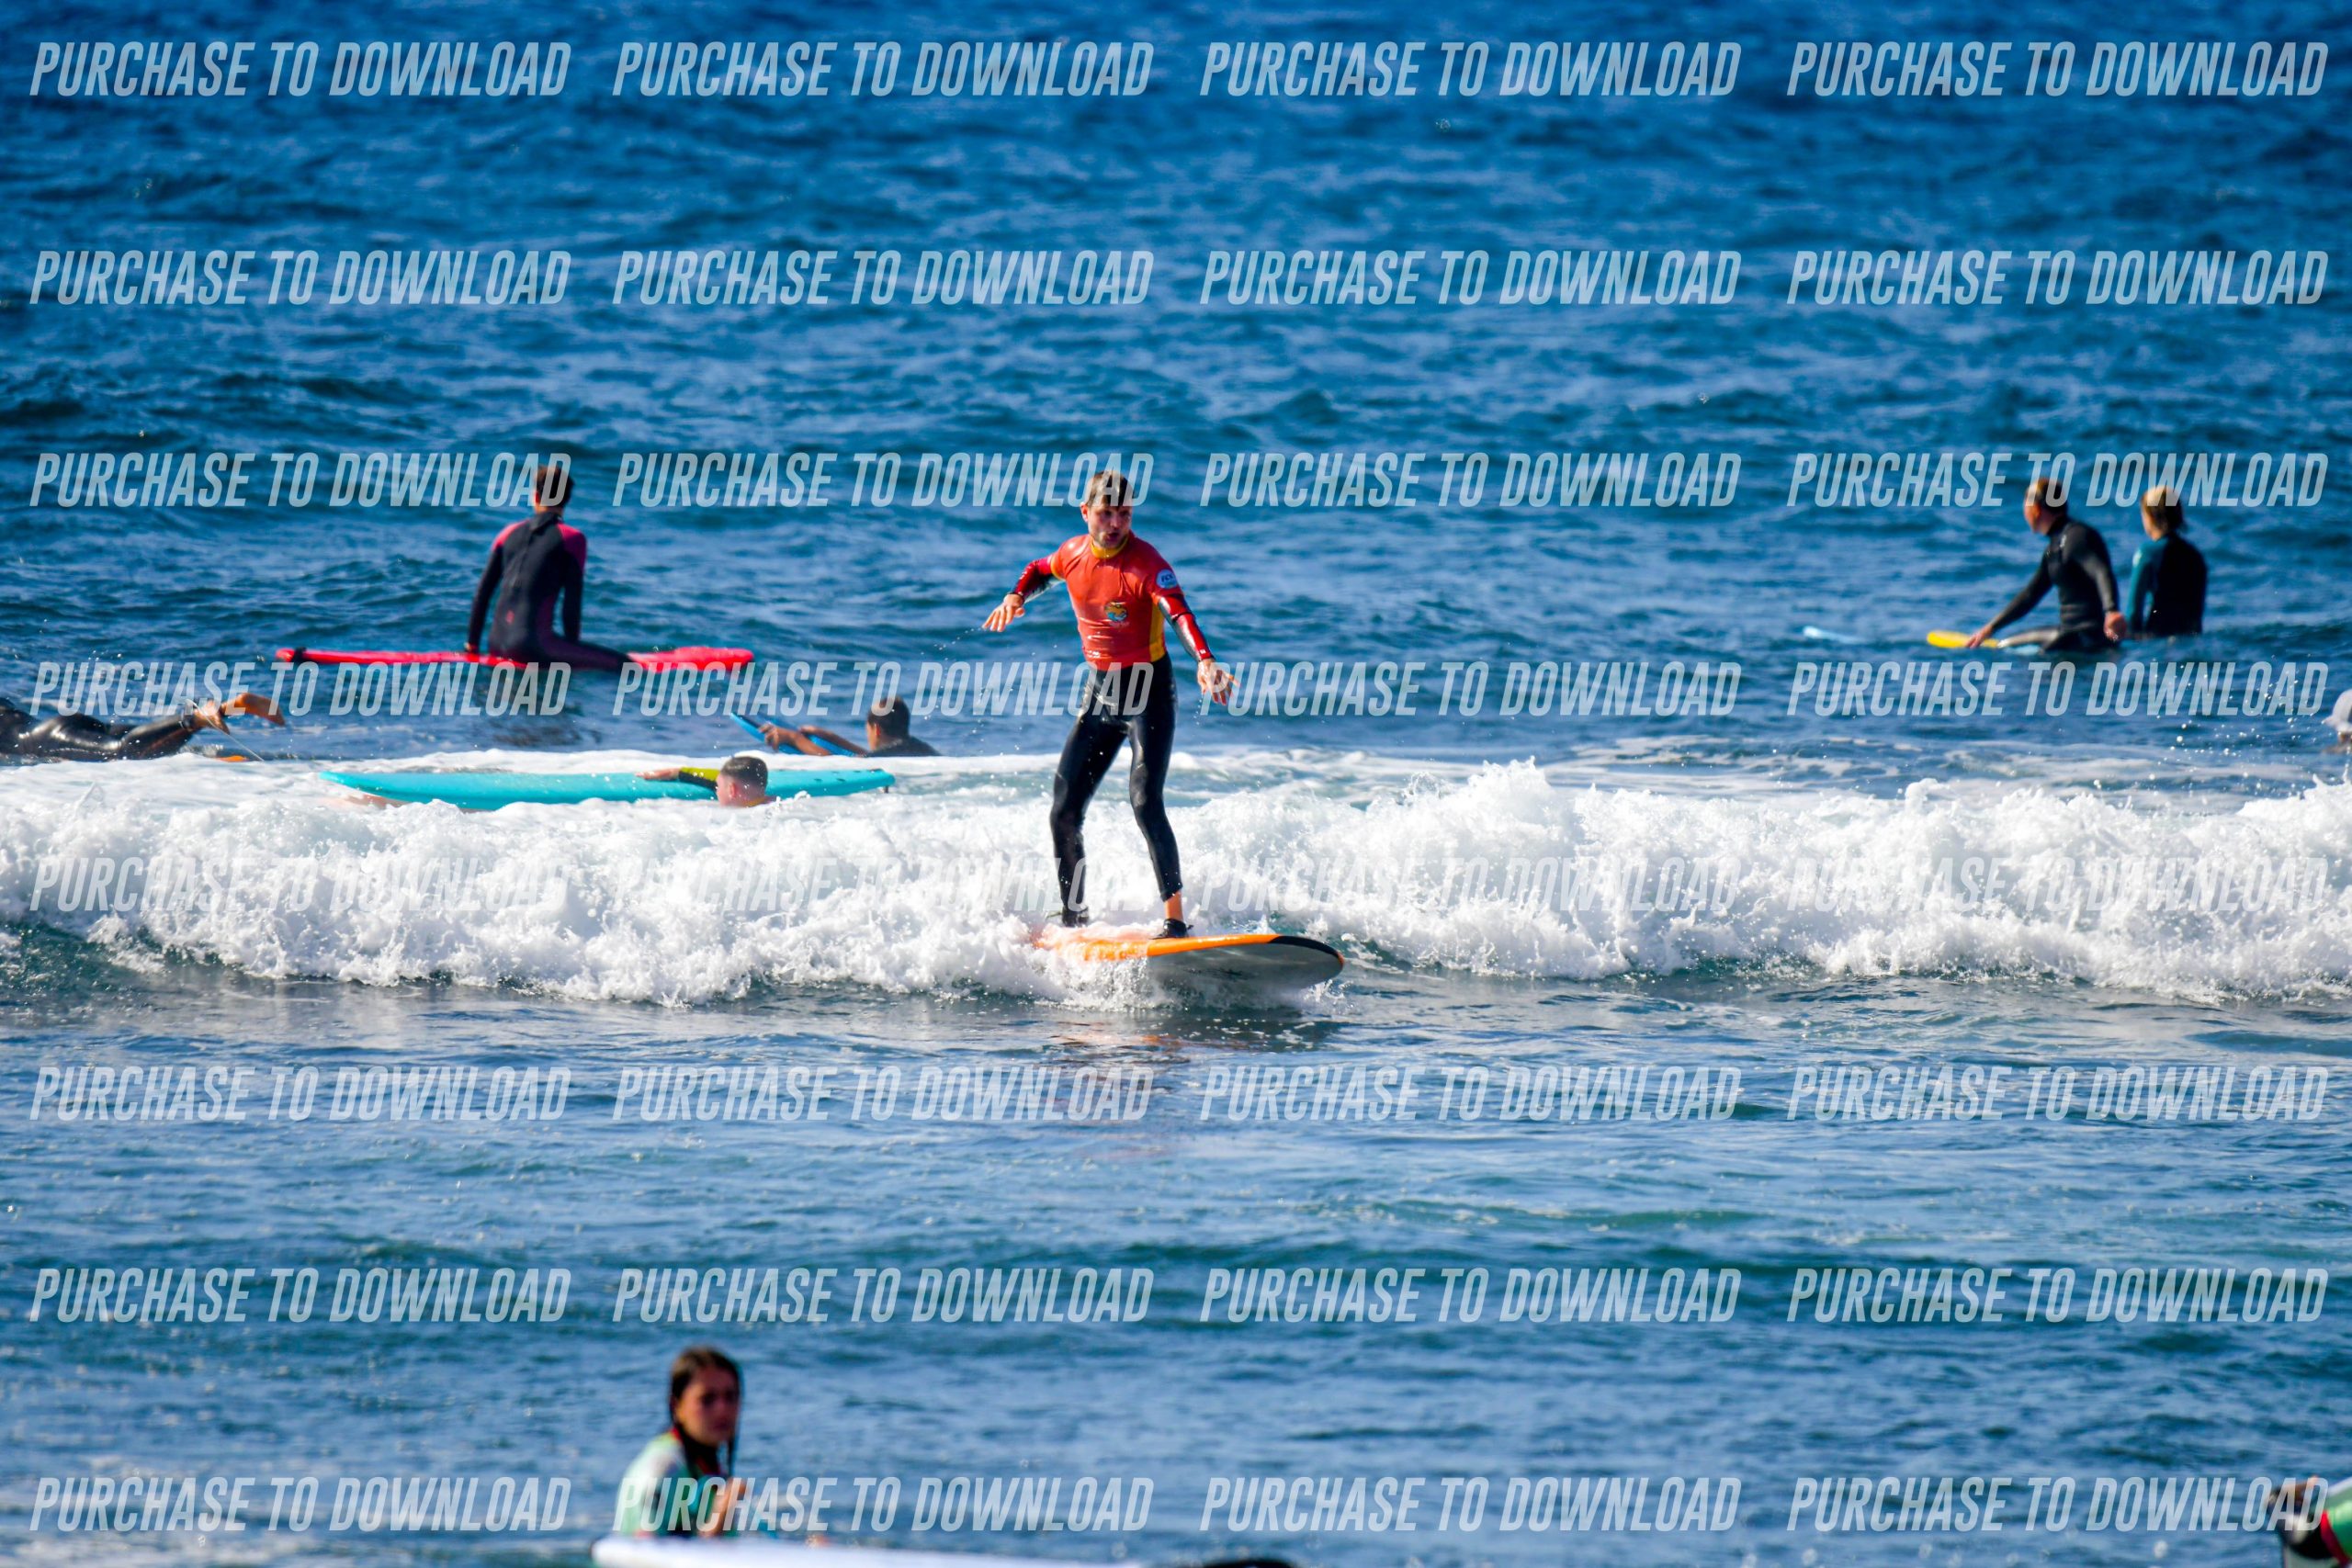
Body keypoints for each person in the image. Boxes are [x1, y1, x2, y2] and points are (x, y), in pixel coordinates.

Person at [983, 469, 1233, 938]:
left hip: (1148, 693)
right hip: (1099, 694)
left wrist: (1205, 660)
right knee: (1063, 810)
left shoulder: (1146, 564)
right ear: (1086, 512)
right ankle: (1074, 919)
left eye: (1124, 514)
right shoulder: (1073, 554)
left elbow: (1177, 612)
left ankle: (1175, 921)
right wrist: (1015, 595)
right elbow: (1040, 569)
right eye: (1106, 513)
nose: (1116, 523)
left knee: (1145, 802)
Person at [464, 464, 627, 671]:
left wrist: (472, 646)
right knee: (626, 666)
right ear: (567, 500)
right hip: (533, 648)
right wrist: (573, 651)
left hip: (495, 645)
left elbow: (482, 594)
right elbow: (571, 606)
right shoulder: (572, 539)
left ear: (536, 496)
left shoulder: (506, 533)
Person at [1964, 475, 2123, 653]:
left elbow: (2101, 571)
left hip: (2090, 636)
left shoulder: (2078, 537)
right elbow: (2030, 595)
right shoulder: (2055, 547)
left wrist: (2111, 611)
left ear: (2036, 509)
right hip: (2070, 633)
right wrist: (1990, 628)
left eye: (2025, 508)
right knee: (2003, 645)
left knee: (2038, 663)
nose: (2025, 514)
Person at [615, 1346, 745, 1538]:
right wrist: (717, 1524)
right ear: (677, 1406)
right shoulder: (663, 1470)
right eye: (707, 1399)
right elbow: (645, 1550)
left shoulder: (703, 1466)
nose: (722, 1410)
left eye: (731, 1397)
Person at [0, 692, 282, 761]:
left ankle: (197, 718)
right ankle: (229, 707)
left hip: (43, 738)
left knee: (123, 752)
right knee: (144, 745)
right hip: (62, 724)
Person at [2123, 483, 2208, 637]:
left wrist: (2130, 638)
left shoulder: (2148, 553)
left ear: (2150, 516)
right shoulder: (2195, 555)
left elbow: (2134, 611)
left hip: (2156, 638)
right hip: (2191, 639)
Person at [761, 695, 937, 759]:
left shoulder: (882, 758)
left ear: (876, 730)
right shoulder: (921, 748)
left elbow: (837, 765)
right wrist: (832, 738)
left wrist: (795, 738)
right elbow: (874, 756)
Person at [638, 753, 773, 807]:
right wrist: (676, 772)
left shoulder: (731, 823)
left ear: (732, 790)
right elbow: (714, 777)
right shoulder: (777, 807)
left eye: (718, 787)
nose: (716, 791)